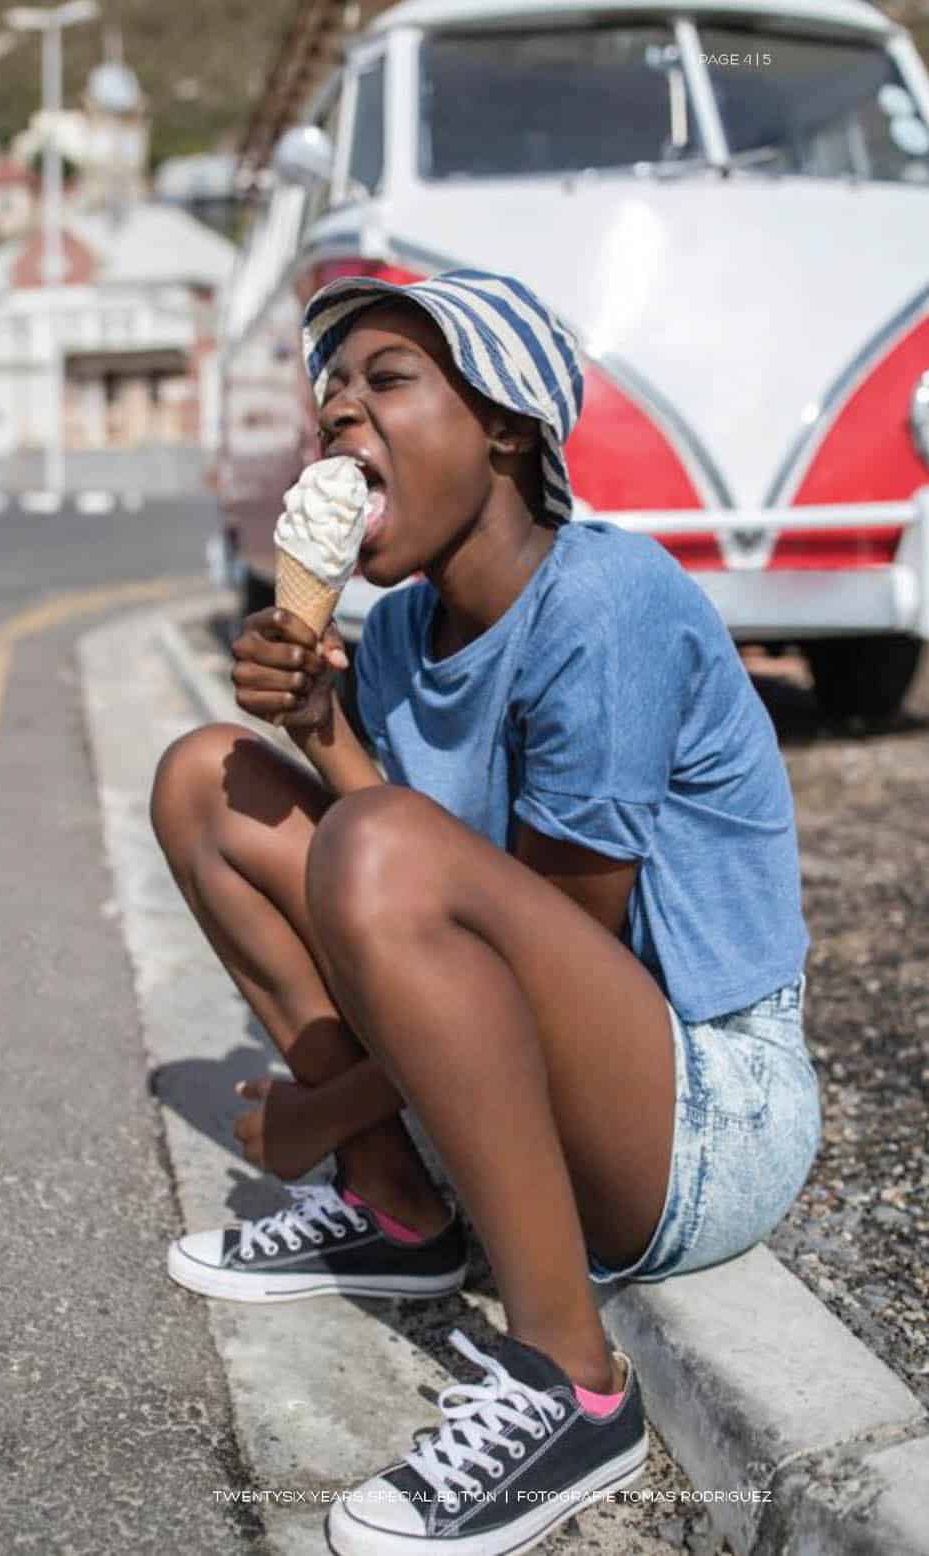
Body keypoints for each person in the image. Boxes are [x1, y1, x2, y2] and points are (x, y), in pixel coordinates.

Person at [147, 270, 817, 1553]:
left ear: (506, 425)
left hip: (697, 1110)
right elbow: (409, 900)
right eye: (328, 397)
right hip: (530, 1081)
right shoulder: (393, 631)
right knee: (206, 779)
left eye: (385, 382)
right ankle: (402, 1210)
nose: (340, 418)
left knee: (381, 841)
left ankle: (572, 1383)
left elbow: (554, 934)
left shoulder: (603, 604)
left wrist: (314, 1111)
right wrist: (317, 725)